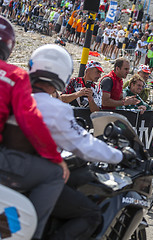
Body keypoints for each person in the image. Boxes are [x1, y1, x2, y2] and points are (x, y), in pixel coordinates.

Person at [28, 44, 136, 240]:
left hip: (9, 172)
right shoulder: (55, 108)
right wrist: (120, 155)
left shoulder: (15, 97)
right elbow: (84, 144)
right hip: (35, 178)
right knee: (91, 214)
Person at [0, 17, 69, 240]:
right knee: (54, 175)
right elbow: (29, 119)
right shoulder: (14, 75)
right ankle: (29, 234)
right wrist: (55, 158)